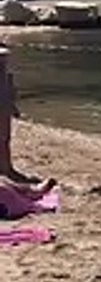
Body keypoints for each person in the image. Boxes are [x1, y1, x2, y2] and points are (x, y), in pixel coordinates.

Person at [0, 46, 39, 185]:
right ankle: (6, 169)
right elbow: (9, 94)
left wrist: (13, 108)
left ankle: (6, 168)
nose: (5, 60)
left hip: (4, 108)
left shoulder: (7, 75)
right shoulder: (5, 75)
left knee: (5, 140)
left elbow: (11, 93)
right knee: (3, 140)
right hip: (3, 108)